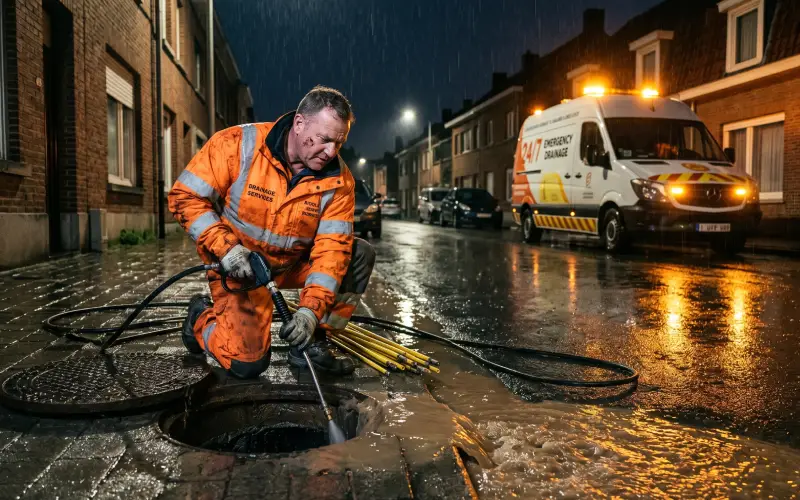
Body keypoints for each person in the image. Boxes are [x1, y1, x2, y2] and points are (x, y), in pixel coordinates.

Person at [168, 85, 375, 379]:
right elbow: (185, 197)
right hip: (241, 268)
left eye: (338, 143)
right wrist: (226, 248)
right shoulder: (239, 145)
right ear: (300, 124)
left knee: (358, 254)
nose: (331, 152)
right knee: (246, 364)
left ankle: (313, 344)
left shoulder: (339, 182)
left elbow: (332, 252)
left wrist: (309, 314)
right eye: (325, 139)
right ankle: (200, 319)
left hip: (292, 265)